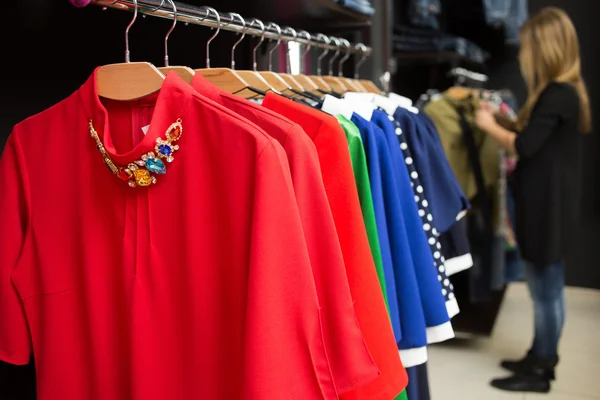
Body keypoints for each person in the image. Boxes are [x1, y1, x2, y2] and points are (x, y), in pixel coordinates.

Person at [474, 7, 591, 394]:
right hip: (544, 206)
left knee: (546, 292)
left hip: (547, 210)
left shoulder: (560, 93)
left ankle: (541, 368)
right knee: (545, 288)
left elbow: (525, 146)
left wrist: (490, 126)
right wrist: (505, 122)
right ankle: (539, 354)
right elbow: (536, 138)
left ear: (546, 48)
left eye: (528, 47)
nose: (523, 55)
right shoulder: (560, 93)